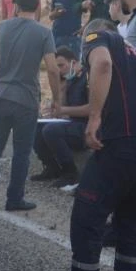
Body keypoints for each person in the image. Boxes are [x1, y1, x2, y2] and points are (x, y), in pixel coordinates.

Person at [40, 19, 136, 271]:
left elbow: (101, 64)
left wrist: (95, 118)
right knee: (132, 213)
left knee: (89, 209)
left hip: (128, 137)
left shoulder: (98, 37)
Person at [0, 0, 59, 212]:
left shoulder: (3, 28)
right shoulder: (44, 33)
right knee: (21, 153)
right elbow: (53, 69)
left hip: (1, 96)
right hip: (26, 100)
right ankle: (14, 199)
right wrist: (57, 99)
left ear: (16, 6)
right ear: (38, 6)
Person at [31, 46, 89, 186]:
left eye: (61, 65)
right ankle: (52, 167)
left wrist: (62, 110)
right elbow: (61, 107)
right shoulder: (70, 79)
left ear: (74, 62)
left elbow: (92, 109)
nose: (59, 70)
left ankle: (71, 172)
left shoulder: (87, 78)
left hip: (88, 126)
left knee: (51, 130)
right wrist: (61, 87)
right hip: (72, 123)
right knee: (35, 127)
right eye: (56, 67)